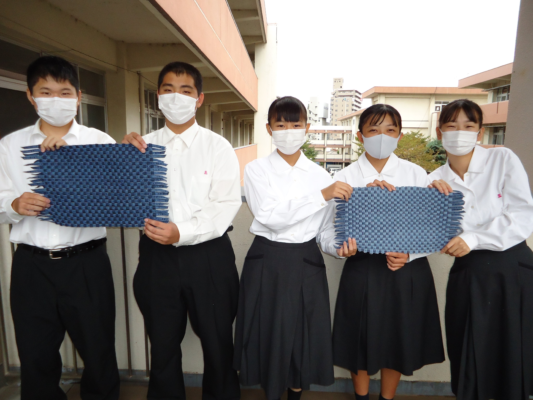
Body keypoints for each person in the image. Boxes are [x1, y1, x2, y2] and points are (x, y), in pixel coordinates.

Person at [0, 56, 119, 400]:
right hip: (31, 266)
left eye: (64, 92)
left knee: (98, 354)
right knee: (35, 358)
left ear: (79, 97)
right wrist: (13, 204)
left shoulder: (100, 142)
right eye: (46, 92)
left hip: (87, 264)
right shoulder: (9, 146)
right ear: (30, 96)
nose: (56, 99)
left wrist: (72, 168)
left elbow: (116, 200)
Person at [122, 62, 242, 400]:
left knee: (219, 346)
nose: (177, 96)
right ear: (158, 96)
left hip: (210, 258)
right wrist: (120, 159)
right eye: (168, 89)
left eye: (186, 90)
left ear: (199, 99)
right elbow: (123, 201)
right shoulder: (140, 147)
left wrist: (182, 232)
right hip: (156, 258)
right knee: (162, 348)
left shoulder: (218, 147)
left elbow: (224, 206)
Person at [319, 104, 445, 400]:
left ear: (400, 136)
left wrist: (411, 254)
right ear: (360, 136)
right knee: (359, 338)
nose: (381, 136)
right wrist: (341, 249)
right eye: (373, 130)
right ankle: (361, 396)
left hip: (405, 268)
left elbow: (434, 229)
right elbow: (324, 231)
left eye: (389, 130)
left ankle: (387, 398)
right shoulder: (345, 177)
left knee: (398, 337)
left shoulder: (417, 175)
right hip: (362, 267)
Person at [233, 96, 353, 400]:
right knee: (269, 336)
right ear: (269, 128)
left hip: (306, 260)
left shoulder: (320, 175)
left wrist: (340, 249)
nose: (288, 130)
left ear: (307, 128)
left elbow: (324, 231)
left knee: (302, 339)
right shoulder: (256, 170)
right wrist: (321, 196)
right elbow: (269, 218)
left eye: (295, 124)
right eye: (281, 124)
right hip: (267, 260)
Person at [429, 99, 533, 400]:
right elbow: (433, 237)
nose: (459, 132)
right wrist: (430, 203)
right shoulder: (433, 179)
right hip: (468, 273)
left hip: (512, 270)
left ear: (480, 131)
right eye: (451, 126)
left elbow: (522, 215)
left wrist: (472, 239)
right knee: (468, 350)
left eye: (468, 126)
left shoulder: (502, 158)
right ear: (440, 133)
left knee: (514, 352)